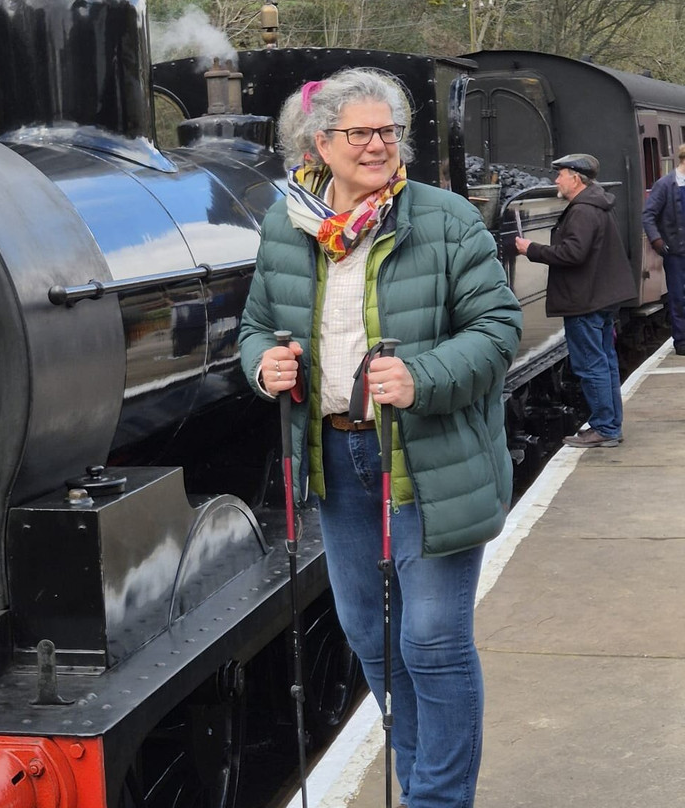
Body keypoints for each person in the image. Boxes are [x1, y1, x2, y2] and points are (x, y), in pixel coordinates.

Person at [239, 69, 521, 808]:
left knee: (431, 642)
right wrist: (261, 366)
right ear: (319, 143)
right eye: (360, 133)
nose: (377, 146)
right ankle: (420, 766)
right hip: (335, 458)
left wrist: (421, 376)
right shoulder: (286, 225)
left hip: (432, 459)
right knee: (370, 635)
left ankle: (435, 797)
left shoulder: (446, 218)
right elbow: (251, 329)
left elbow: (498, 331)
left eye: (388, 132)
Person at [515, 153, 636, 447]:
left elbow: (573, 253)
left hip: (585, 300)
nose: (556, 180)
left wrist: (532, 249)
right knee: (604, 362)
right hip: (600, 297)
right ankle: (609, 424)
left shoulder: (583, 211)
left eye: (561, 174)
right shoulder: (597, 204)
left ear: (576, 178)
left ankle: (606, 428)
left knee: (591, 365)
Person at [641, 143, 685, 356]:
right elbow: (648, 214)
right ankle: (682, 342)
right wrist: (657, 240)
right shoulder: (665, 185)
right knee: (678, 297)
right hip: (676, 252)